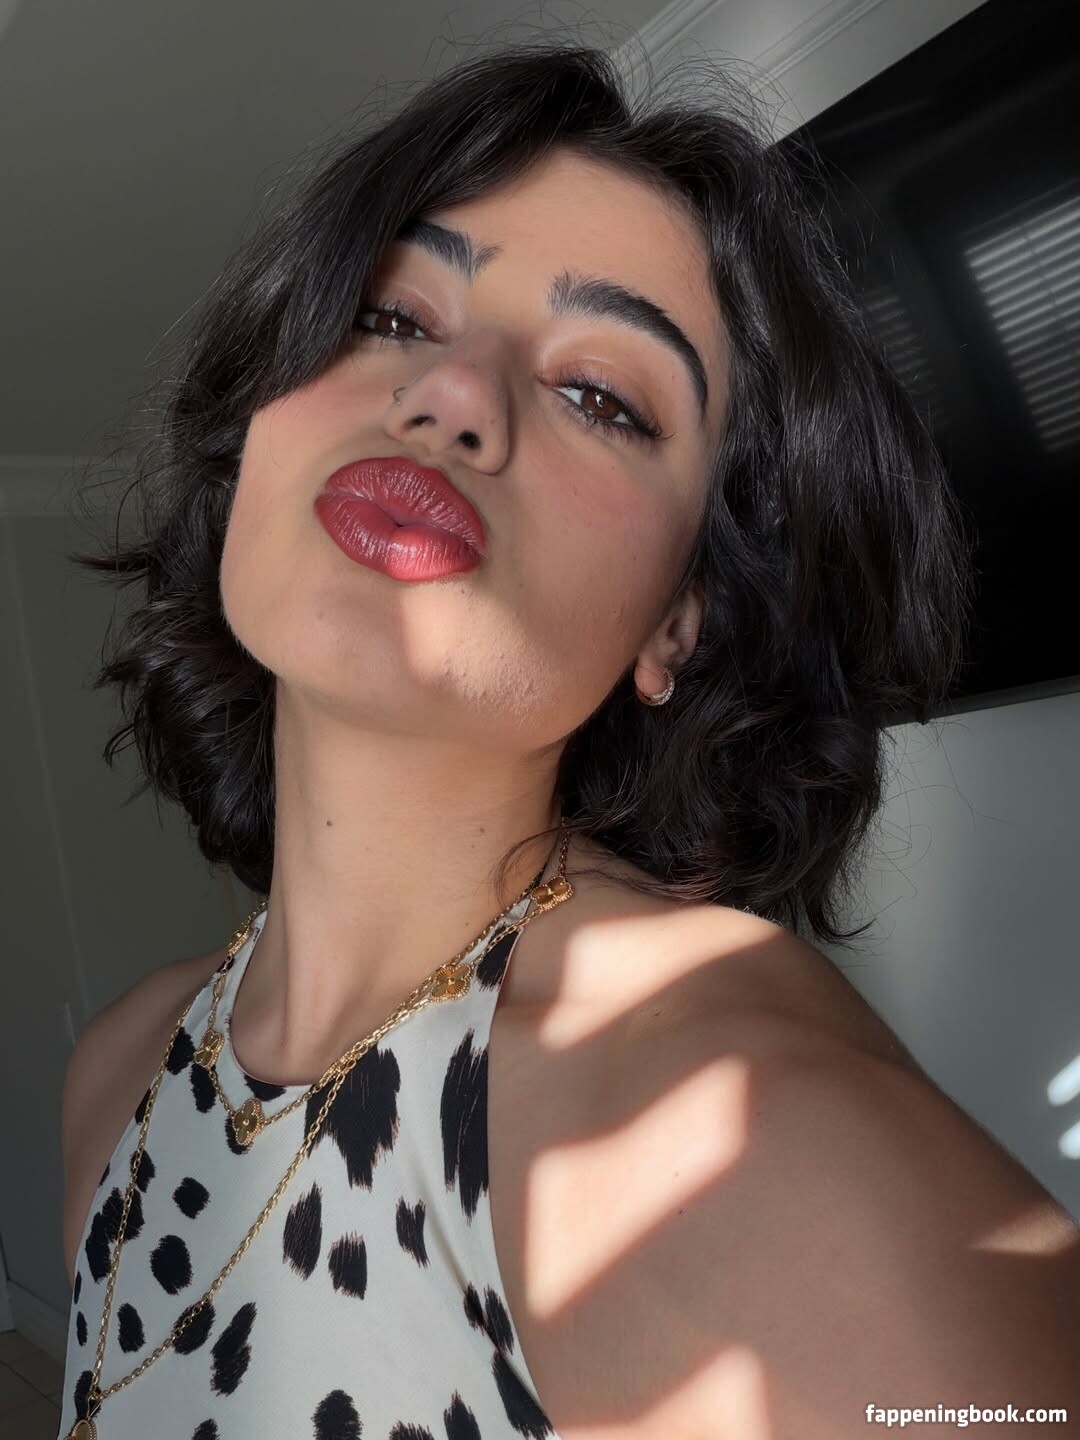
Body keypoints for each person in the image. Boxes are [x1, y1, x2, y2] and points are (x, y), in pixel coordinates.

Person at [57, 41, 1078, 1440]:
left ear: (679, 623)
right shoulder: (120, 1076)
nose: (453, 395)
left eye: (602, 395)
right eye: (388, 314)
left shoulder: (732, 1138)